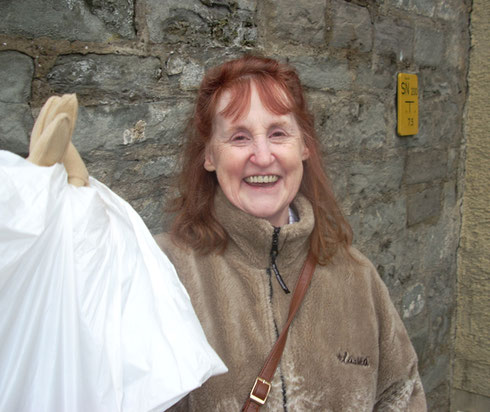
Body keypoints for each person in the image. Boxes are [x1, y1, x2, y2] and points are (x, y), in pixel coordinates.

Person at [154, 55, 427, 411]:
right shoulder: (166, 274)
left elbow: (402, 394)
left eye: (278, 133)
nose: (263, 156)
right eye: (239, 136)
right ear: (209, 155)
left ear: (304, 147)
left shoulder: (358, 278)